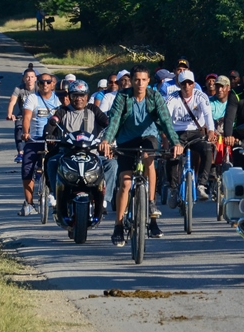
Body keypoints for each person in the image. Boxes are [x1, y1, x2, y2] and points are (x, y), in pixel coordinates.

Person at [100, 65, 183, 243]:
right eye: (136, 79)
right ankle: (119, 226)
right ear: (131, 80)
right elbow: (114, 120)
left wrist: (176, 142)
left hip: (149, 136)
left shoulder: (155, 97)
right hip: (126, 139)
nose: (140, 83)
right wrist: (107, 140)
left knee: (148, 158)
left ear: (148, 81)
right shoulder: (123, 97)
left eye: (143, 80)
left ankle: (151, 210)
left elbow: (166, 121)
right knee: (125, 183)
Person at [43, 81, 115, 209]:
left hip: (92, 154)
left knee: (112, 164)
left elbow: (106, 123)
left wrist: (108, 138)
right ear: (69, 96)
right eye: (75, 95)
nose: (79, 99)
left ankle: (105, 198)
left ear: (87, 96)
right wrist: (49, 135)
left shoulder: (93, 109)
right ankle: (56, 194)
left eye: (82, 95)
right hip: (67, 154)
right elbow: (52, 122)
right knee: (52, 162)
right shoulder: (63, 111)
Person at [165, 71, 217, 204]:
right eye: (183, 83)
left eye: (189, 83)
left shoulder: (201, 97)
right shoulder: (172, 98)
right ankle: (173, 188)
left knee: (207, 149)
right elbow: (166, 118)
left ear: (194, 84)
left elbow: (207, 115)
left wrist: (211, 131)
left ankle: (201, 185)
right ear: (179, 84)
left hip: (196, 132)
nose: (186, 86)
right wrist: (169, 137)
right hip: (177, 133)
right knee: (172, 155)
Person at [19, 74, 62, 216]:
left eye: (48, 82)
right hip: (35, 139)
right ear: (38, 84)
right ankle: (29, 203)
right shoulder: (32, 98)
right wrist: (26, 132)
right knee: (27, 168)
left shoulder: (59, 99)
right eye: (42, 82)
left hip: (54, 140)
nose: (45, 84)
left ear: (52, 84)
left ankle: (58, 197)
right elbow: (26, 116)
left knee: (58, 165)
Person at [6, 67, 38, 163]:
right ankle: (20, 152)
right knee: (19, 128)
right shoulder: (19, 88)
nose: (30, 79)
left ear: (35, 78)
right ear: (24, 78)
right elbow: (12, 101)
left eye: (32, 77)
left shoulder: (39, 89)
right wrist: (10, 114)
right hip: (23, 115)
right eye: (27, 77)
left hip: (37, 115)